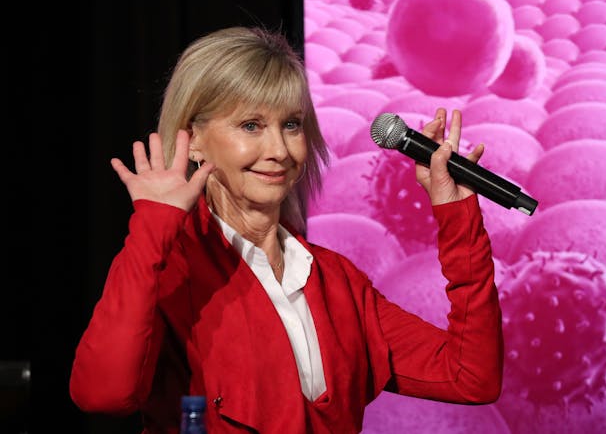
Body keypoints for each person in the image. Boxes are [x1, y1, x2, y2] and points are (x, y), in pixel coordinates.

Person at [69, 26, 503, 433]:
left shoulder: (338, 283)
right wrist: (153, 227)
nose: (278, 150)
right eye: (251, 126)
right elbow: (103, 395)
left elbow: (472, 377)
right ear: (193, 140)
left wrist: (457, 214)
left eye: (291, 125)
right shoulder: (171, 267)